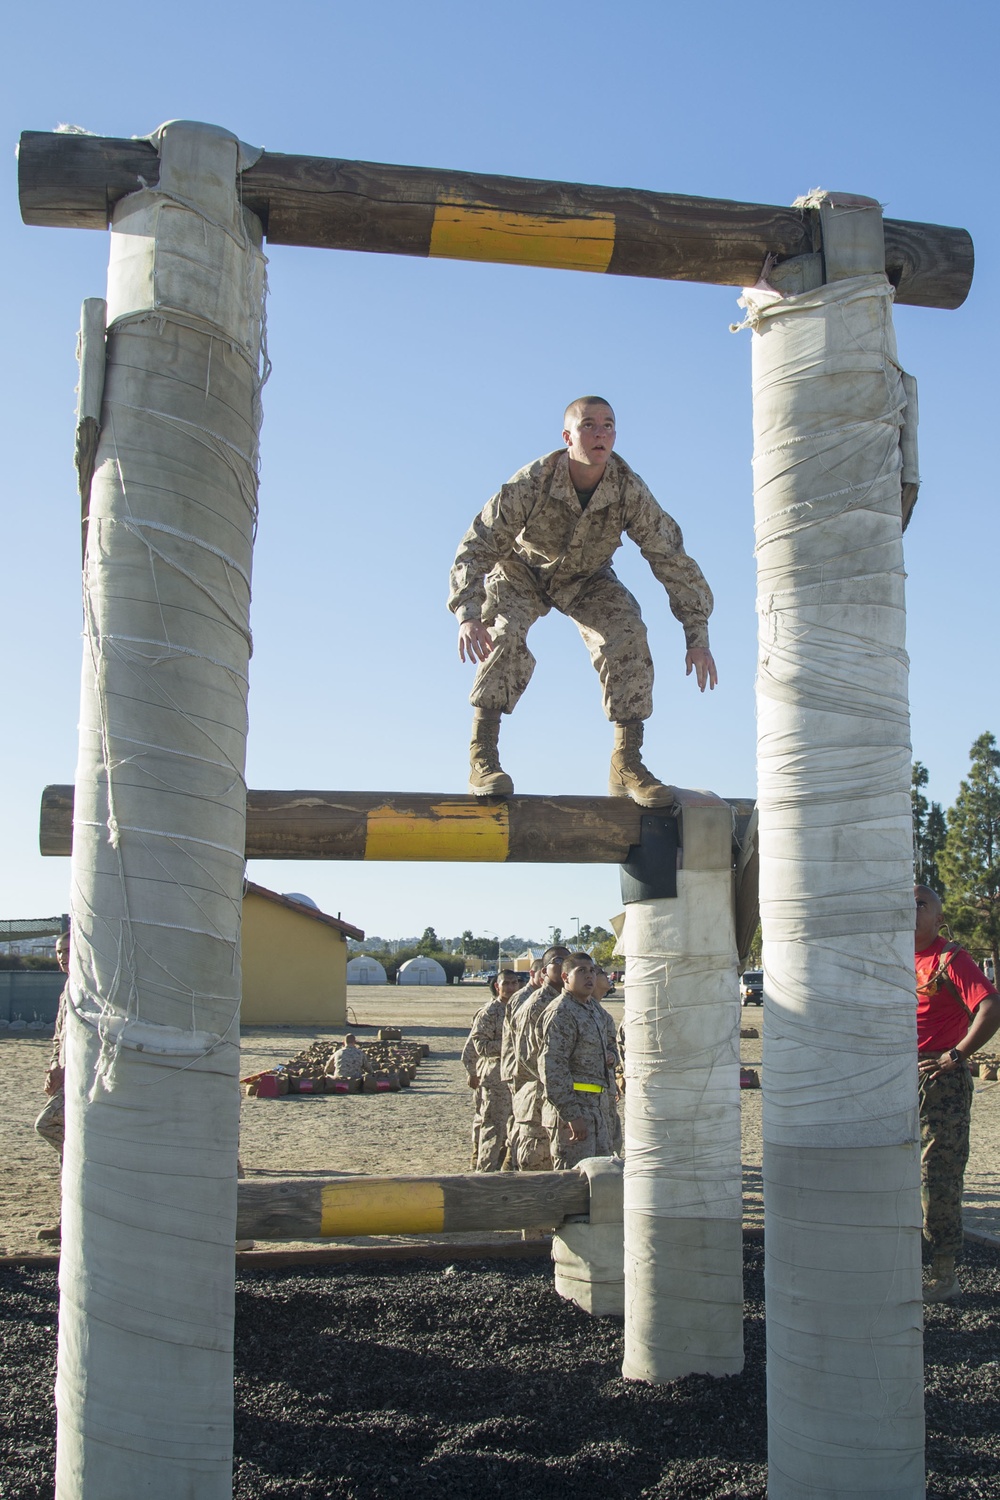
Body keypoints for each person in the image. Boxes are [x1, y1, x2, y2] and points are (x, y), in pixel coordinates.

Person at [449, 396, 717, 804]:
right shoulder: (532, 482)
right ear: (567, 437)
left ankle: (626, 762)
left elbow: (671, 556)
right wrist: (468, 613)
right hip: (523, 569)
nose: (600, 433)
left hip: (587, 577)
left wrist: (696, 635)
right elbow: (477, 545)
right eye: (589, 425)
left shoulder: (627, 489)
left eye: (608, 425)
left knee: (627, 631)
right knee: (505, 633)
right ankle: (482, 756)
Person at [914, 884, 1000, 1301]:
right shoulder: (891, 955)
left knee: (938, 1178)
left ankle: (944, 1275)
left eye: (920, 904)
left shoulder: (950, 958)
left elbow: (991, 1006)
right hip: (896, 1076)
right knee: (898, 1173)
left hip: (938, 1081)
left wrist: (957, 1055)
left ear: (938, 919)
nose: (909, 910)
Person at [538, 953, 617, 1168]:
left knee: (601, 1179)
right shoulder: (561, 1012)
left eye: (591, 970)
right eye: (581, 971)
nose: (589, 976)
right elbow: (552, 1068)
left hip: (598, 1109)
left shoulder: (594, 1009)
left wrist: (612, 1057)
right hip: (574, 1112)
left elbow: (611, 1043)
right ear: (565, 977)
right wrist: (572, 1115)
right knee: (574, 1179)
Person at [506, 946, 570, 1170]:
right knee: (535, 1169)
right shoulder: (536, 1005)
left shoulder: (570, 1004)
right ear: (544, 971)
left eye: (568, 961)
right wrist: (559, 1076)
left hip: (561, 1102)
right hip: (537, 1100)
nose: (564, 966)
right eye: (558, 961)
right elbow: (527, 1056)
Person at [34, 928, 70, 1242]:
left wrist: (67, 1069)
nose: (63, 958)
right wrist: (53, 1067)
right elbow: (59, 1038)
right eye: (59, 953)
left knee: (46, 1124)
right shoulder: (67, 990)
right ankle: (67, 1220)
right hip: (64, 1078)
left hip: (84, 1081)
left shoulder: (93, 989)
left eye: (68, 951)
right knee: (64, 1158)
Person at [470, 971, 520, 1170]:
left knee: (514, 1128)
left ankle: (507, 1169)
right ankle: (485, 1171)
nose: (510, 987)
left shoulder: (519, 1008)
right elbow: (479, 1044)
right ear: (497, 986)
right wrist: (510, 1044)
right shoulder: (490, 1012)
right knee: (492, 1128)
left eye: (514, 983)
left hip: (516, 1076)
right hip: (495, 1077)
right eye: (505, 983)